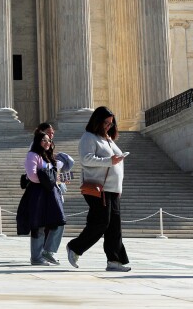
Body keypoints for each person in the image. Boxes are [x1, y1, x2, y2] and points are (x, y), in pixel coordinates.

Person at [65, 106, 130, 272]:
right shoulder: (89, 137)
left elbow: (117, 164)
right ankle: (75, 247)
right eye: (106, 122)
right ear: (97, 121)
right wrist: (110, 161)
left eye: (111, 123)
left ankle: (114, 260)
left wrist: (119, 186)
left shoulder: (108, 139)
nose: (109, 126)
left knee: (114, 225)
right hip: (98, 188)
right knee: (101, 222)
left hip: (112, 189)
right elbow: (86, 159)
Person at [17, 130, 66, 265]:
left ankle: (48, 251)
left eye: (49, 140)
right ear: (38, 142)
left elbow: (53, 176)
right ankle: (36, 258)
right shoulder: (32, 155)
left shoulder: (48, 157)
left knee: (59, 221)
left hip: (51, 193)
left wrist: (52, 179)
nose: (47, 143)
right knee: (38, 225)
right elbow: (32, 175)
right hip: (37, 193)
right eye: (44, 140)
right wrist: (47, 179)